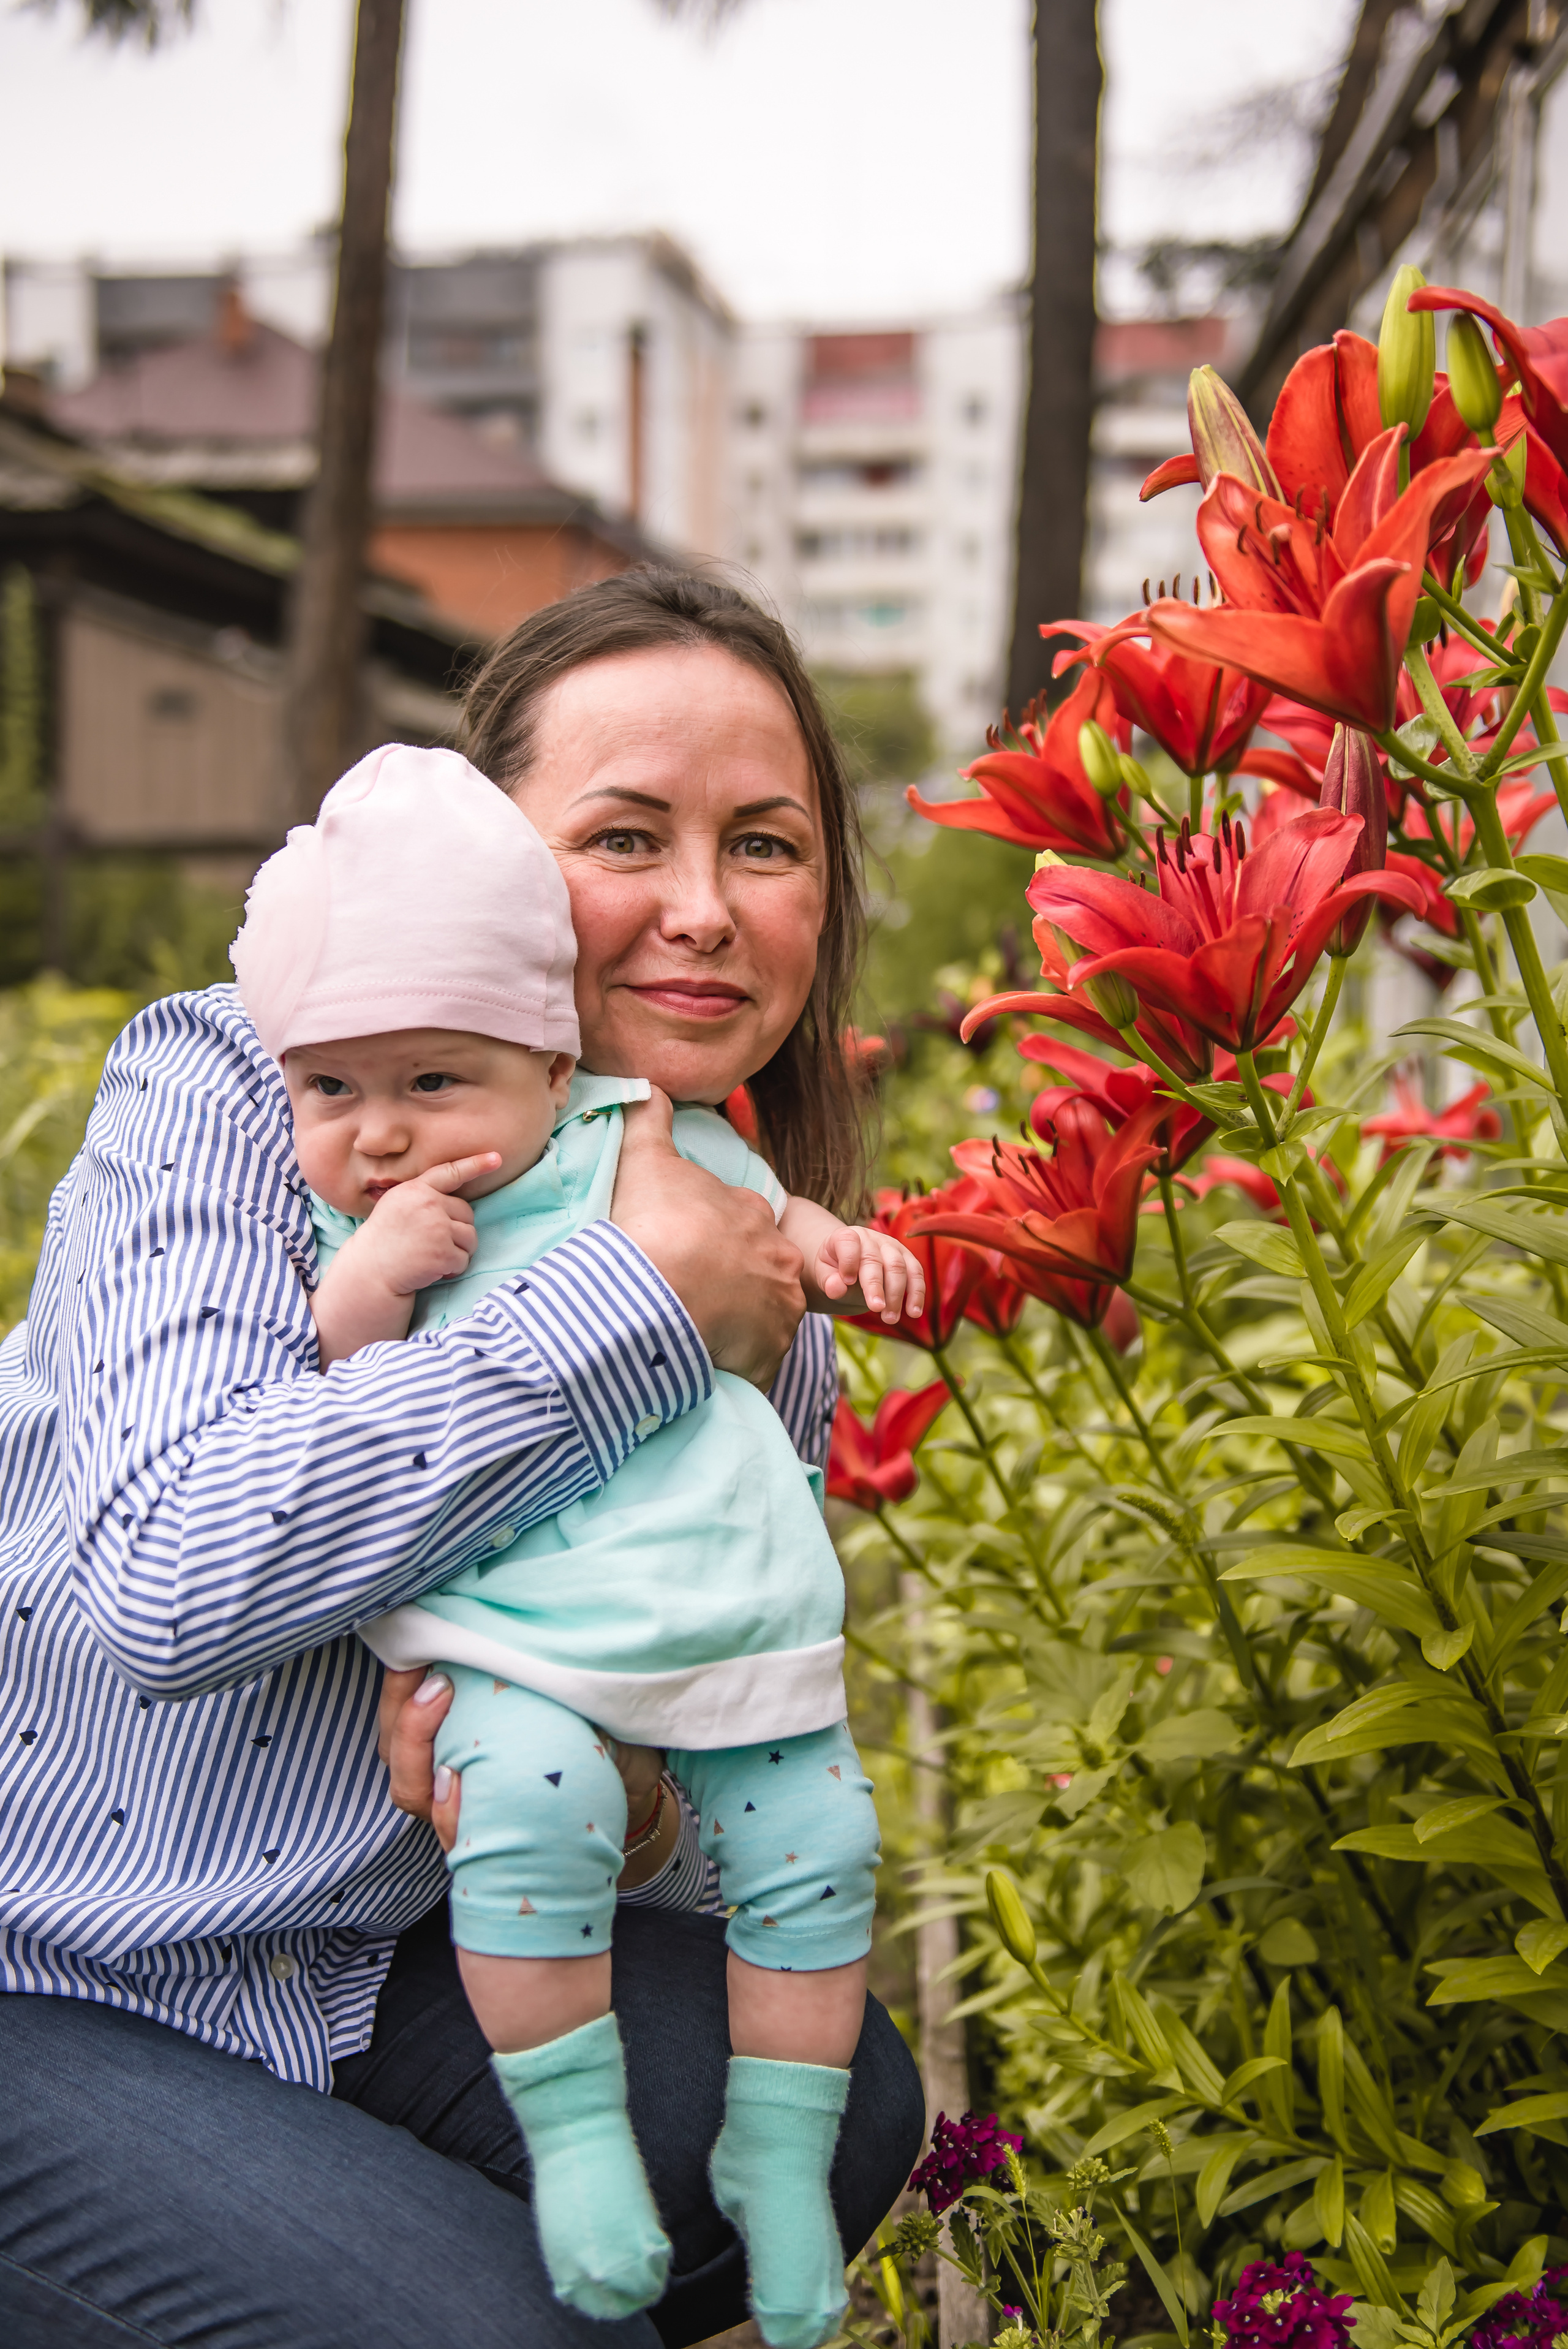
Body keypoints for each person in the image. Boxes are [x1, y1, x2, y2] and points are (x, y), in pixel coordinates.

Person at [0, 567, 926, 2348]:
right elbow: (173, 1574)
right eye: (627, 836)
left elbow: (711, 1780)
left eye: (766, 845)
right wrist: (632, 1308)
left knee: (828, 2099)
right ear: (488, 859)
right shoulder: (236, 1089)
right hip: (47, 1956)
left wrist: (644, 1802)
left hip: (342, 1967)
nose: (702, 911)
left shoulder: (755, 1271)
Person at [228, 743, 922, 2345]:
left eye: (433, 1083)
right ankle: (580, 2139)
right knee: (528, 1815)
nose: (386, 1132)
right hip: (507, 1640)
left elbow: (772, 1222)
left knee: (821, 1851)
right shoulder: (347, 1213)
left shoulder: (640, 1134)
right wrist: (378, 1274)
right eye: (337, 1091)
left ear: (548, 1061)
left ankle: (782, 2154)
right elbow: (324, 1392)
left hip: (716, 1620)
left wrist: (841, 1245)